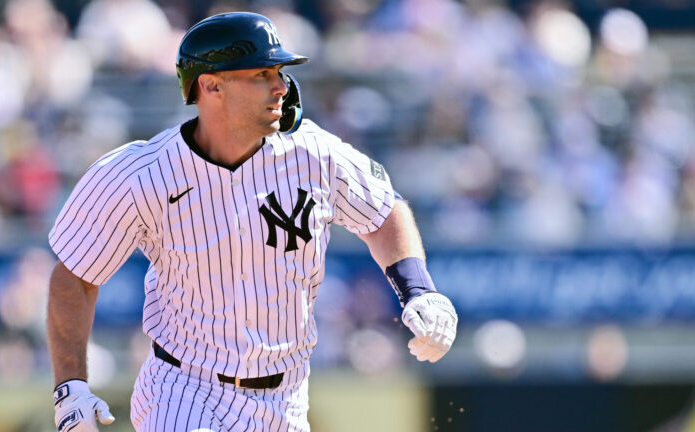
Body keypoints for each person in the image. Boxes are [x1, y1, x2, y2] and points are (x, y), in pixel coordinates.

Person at [47, 11, 457, 432]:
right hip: (184, 386)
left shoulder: (314, 153)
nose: (281, 86)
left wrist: (419, 290)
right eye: (262, 73)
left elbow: (384, 211)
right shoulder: (141, 173)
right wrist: (71, 386)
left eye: (279, 72)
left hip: (287, 396)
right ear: (210, 85)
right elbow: (75, 277)